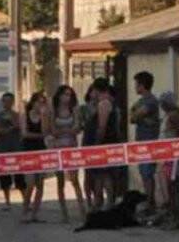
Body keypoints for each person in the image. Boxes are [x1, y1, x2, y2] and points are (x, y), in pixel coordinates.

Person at [84, 77, 121, 209]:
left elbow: (102, 126)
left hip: (103, 143)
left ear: (96, 89)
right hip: (105, 142)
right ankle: (98, 201)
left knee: (105, 175)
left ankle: (109, 202)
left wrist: (97, 143)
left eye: (93, 90)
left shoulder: (104, 104)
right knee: (99, 175)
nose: (91, 93)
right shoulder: (105, 102)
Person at [50, 85, 85, 220]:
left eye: (69, 95)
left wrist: (64, 131)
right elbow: (52, 130)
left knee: (75, 180)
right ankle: (64, 213)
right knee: (60, 181)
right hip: (58, 148)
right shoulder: (54, 111)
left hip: (71, 147)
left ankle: (82, 209)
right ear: (59, 96)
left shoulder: (74, 109)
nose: (67, 97)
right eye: (65, 94)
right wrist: (67, 130)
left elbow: (77, 127)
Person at [0, 92, 29, 210]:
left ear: (12, 102)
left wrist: (13, 123)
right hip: (2, 149)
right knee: (4, 177)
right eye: (5, 101)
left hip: (16, 149)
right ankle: (7, 201)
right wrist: (11, 127)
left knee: (20, 177)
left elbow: (22, 128)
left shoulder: (17, 115)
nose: (7, 103)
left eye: (9, 101)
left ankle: (26, 201)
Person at [130, 71, 160, 209]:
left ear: (142, 85)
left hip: (149, 142)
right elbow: (132, 117)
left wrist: (137, 114)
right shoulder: (142, 101)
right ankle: (149, 201)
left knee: (148, 173)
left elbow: (136, 116)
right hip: (141, 141)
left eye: (136, 84)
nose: (135, 87)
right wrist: (136, 114)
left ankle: (150, 203)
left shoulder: (151, 101)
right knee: (144, 173)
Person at [157, 90, 179, 228]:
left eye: (163, 102)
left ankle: (176, 217)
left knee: (173, 186)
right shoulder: (170, 115)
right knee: (170, 185)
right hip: (168, 155)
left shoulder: (175, 116)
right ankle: (174, 215)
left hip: (174, 156)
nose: (161, 105)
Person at [20, 91, 50, 223]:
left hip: (40, 149)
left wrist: (43, 116)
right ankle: (25, 210)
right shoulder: (25, 115)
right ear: (33, 102)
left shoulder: (43, 116)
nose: (40, 105)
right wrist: (39, 136)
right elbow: (25, 133)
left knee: (40, 184)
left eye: (43, 102)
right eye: (39, 102)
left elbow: (45, 131)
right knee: (30, 183)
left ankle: (35, 213)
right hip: (28, 150)